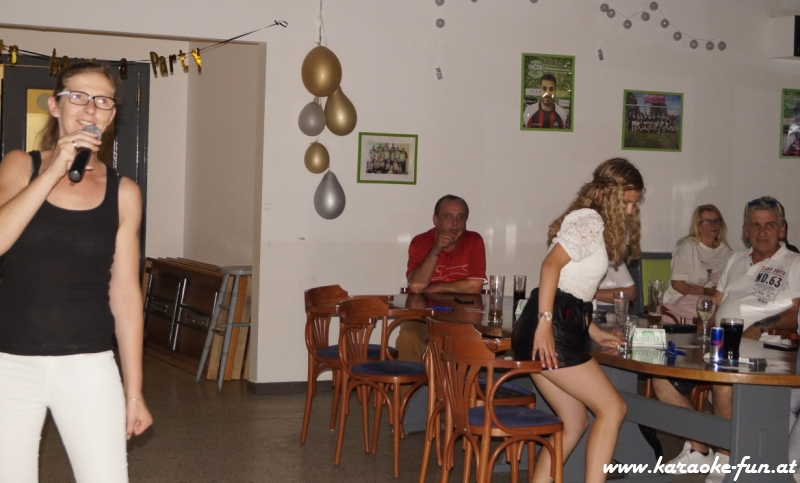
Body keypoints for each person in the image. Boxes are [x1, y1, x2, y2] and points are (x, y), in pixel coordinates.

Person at [0, 62, 153, 482]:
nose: (90, 108)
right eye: (78, 97)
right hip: (10, 364)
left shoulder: (123, 192)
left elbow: (125, 295)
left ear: (111, 115)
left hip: (88, 365)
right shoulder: (20, 166)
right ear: (55, 106)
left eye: (102, 101)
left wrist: (134, 392)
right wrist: (53, 170)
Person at [512, 158, 644, 483]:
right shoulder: (590, 221)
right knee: (613, 409)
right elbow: (550, 267)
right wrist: (545, 325)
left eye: (634, 204)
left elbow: (574, 288)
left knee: (575, 422)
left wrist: (594, 330)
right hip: (552, 327)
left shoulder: (590, 221)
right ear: (605, 194)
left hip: (554, 323)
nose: (630, 211)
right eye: (626, 202)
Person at [652, 196, 800, 483]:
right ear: (745, 231)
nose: (762, 232)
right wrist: (704, 333)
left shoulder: (794, 263)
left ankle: (725, 457)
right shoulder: (736, 259)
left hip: (766, 350)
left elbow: (797, 312)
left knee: (724, 381)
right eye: (754, 225)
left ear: (782, 230)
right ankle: (700, 447)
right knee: (661, 372)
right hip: (721, 344)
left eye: (769, 225)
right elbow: (715, 303)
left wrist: (758, 327)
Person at [397, 195, 486, 362]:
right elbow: (416, 286)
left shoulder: (474, 240)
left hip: (461, 318)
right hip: (423, 318)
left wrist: (434, 287)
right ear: (435, 220)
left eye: (461, 217)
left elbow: (475, 286)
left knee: (475, 342)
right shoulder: (420, 242)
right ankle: (408, 380)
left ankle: (455, 380)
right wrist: (436, 248)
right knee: (408, 337)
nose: (455, 223)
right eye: (448, 216)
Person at [662, 204, 733, 321]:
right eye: (708, 221)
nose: (713, 225)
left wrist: (704, 291)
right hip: (684, 298)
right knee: (710, 310)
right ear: (698, 227)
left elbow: (728, 288)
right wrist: (706, 294)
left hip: (714, 299)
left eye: (716, 221)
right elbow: (678, 284)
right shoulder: (688, 246)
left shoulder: (727, 251)